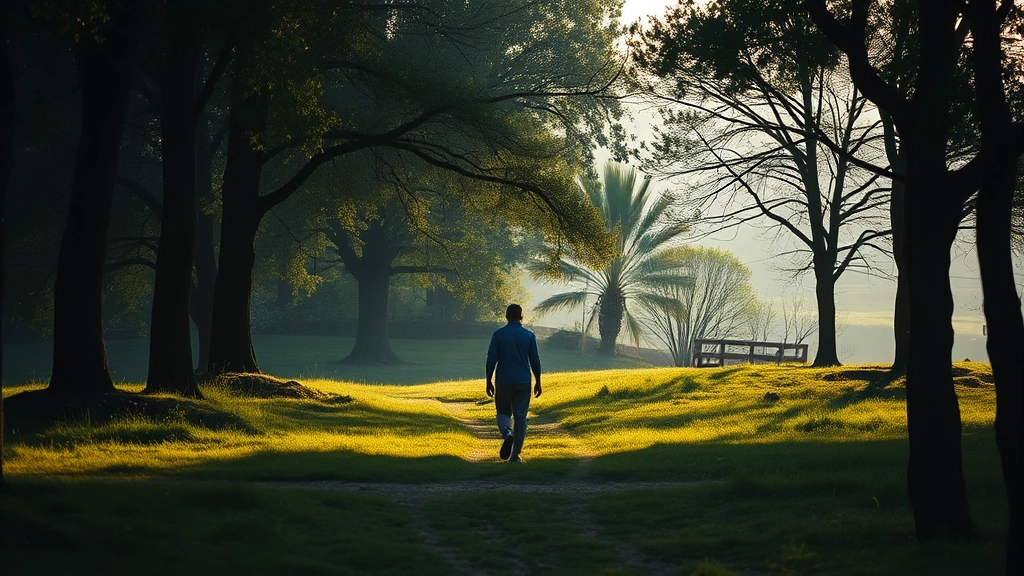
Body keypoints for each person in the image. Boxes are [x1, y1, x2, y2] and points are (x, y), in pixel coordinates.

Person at [485, 303, 542, 463]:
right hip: (523, 381)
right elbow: (535, 360)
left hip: (503, 380)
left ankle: (507, 433)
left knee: (503, 413)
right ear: (521, 316)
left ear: (506, 316)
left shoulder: (498, 335)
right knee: (521, 416)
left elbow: (491, 359)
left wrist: (488, 380)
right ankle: (515, 455)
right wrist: (538, 381)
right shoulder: (529, 336)